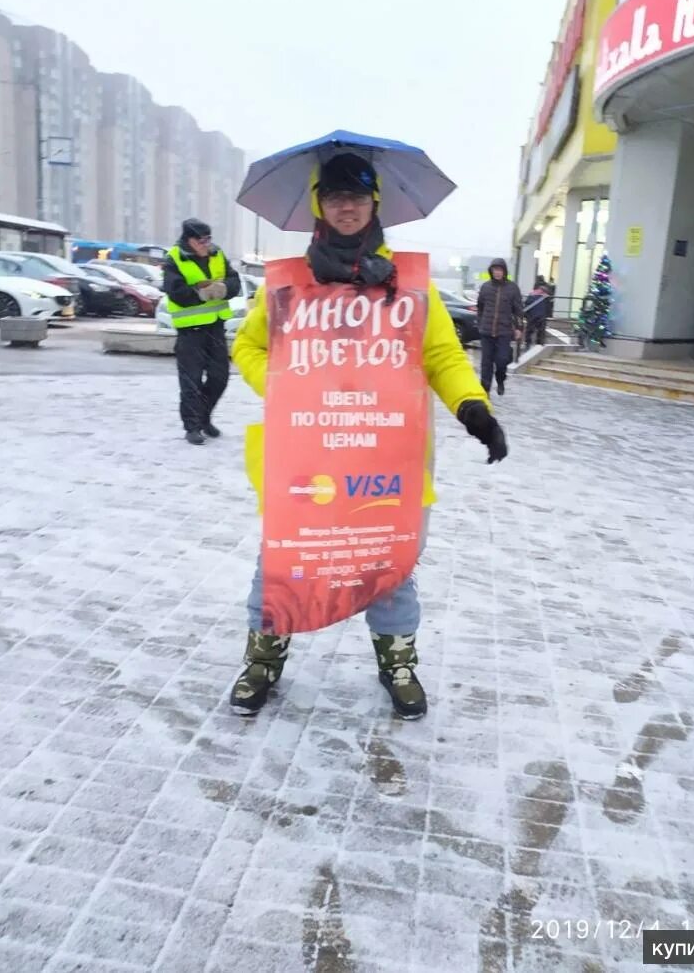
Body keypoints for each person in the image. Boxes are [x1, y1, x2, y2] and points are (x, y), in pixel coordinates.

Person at [229, 152, 508, 719]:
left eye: (356, 197)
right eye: (334, 197)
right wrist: (284, 387)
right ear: (319, 206)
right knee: (284, 561)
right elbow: (249, 348)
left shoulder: (410, 286)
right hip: (305, 457)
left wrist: (474, 409)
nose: (346, 207)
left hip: (386, 457)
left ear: (374, 203)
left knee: (389, 565)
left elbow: (443, 357)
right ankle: (262, 660)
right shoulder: (286, 285)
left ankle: (398, 664)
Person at [163, 218, 241, 445]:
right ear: (189, 240)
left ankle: (204, 417)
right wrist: (200, 292)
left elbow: (234, 280)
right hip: (190, 331)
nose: (206, 244)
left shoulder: (217, 255)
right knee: (191, 382)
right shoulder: (175, 258)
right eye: (201, 240)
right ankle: (193, 427)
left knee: (220, 377)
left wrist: (225, 288)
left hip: (215, 327)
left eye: (208, 239)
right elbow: (173, 290)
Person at [476, 259, 523, 395]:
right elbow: (480, 308)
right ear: (491, 271)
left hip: (504, 331)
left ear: (504, 271)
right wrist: (480, 323)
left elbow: (518, 310)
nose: (497, 272)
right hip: (486, 331)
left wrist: (519, 327)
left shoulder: (512, 288)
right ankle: (485, 391)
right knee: (486, 363)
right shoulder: (485, 287)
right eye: (495, 270)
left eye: (500, 270)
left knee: (502, 360)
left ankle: (500, 379)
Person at [524, 279, 552, 348]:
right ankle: (539, 344)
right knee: (540, 331)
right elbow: (548, 307)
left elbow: (526, 305)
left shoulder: (531, 296)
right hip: (541, 316)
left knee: (530, 330)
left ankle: (528, 343)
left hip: (532, 315)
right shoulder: (545, 297)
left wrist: (526, 315)